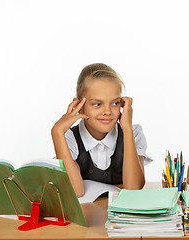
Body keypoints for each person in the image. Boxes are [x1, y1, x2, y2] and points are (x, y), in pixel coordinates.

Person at [51, 63, 149, 197]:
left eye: (115, 103)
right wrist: (57, 132)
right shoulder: (69, 137)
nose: (108, 111)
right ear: (79, 106)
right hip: (87, 215)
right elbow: (76, 191)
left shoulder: (133, 133)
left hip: (119, 216)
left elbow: (133, 189)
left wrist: (127, 130)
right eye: (97, 104)